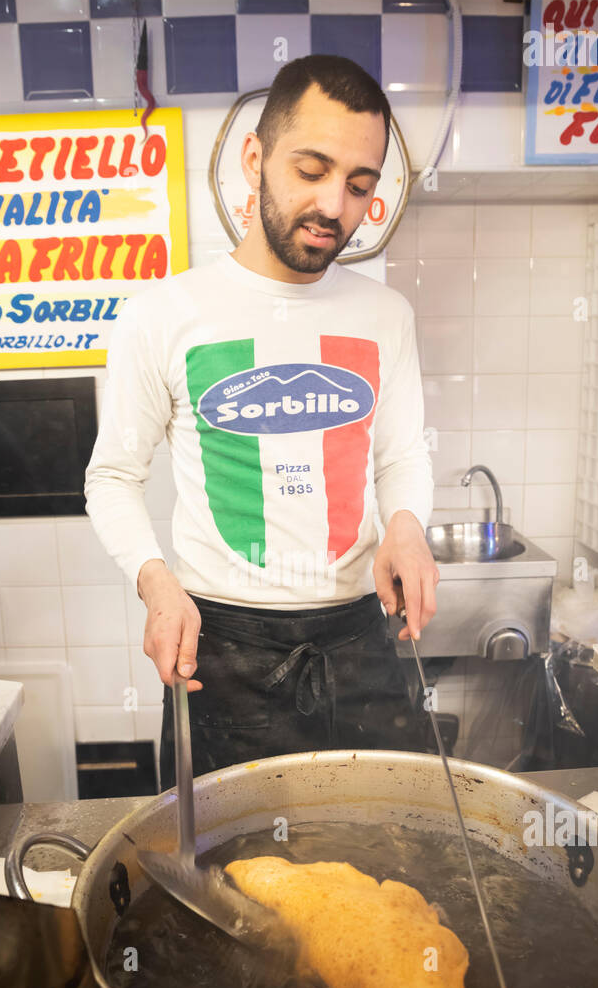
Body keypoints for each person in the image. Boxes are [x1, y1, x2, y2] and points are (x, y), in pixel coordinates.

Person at [85, 53, 440, 791]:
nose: (335, 207)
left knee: (384, 851)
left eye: (359, 185)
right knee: (233, 880)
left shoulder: (386, 317)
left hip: (359, 641)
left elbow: (401, 455)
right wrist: (156, 583)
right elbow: (113, 476)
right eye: (311, 170)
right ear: (255, 158)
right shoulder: (165, 314)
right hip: (223, 650)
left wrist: (406, 525)